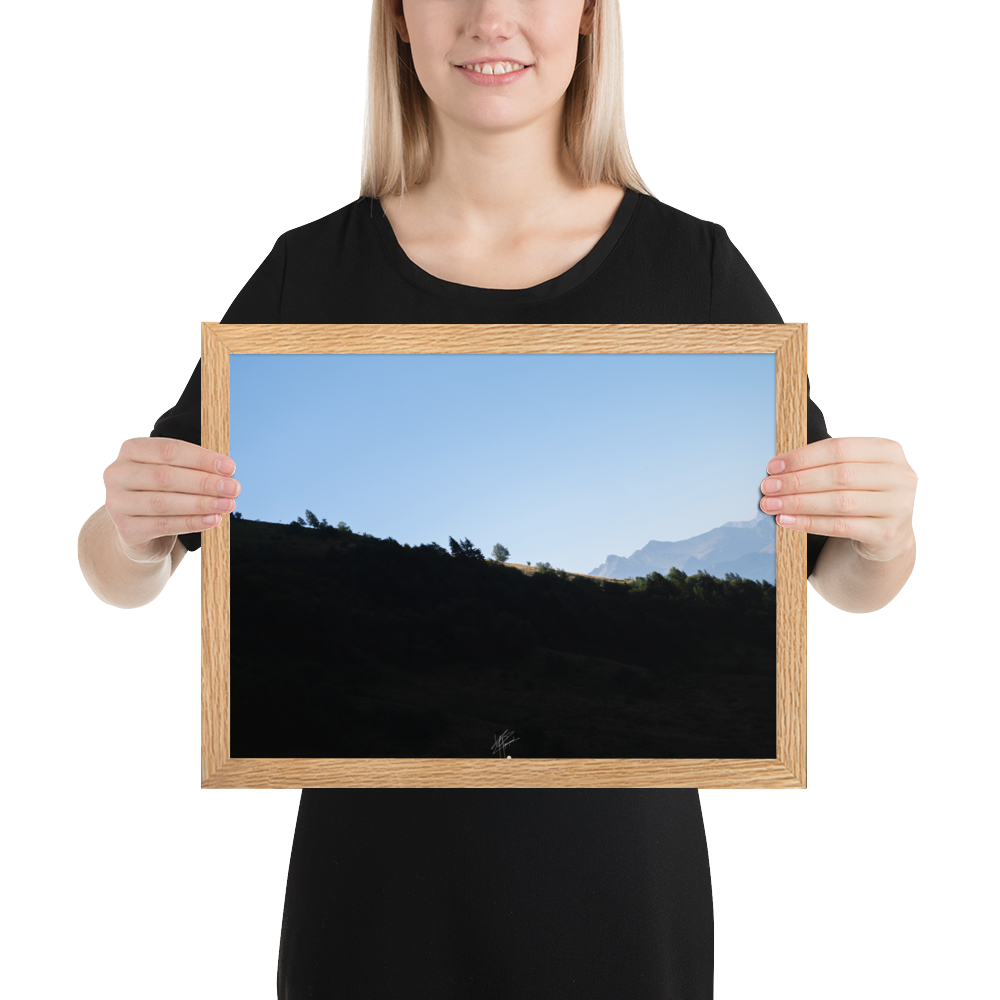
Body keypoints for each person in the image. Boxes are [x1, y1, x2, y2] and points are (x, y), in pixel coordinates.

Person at [77, 2, 917, 996]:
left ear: (592, 18)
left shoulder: (693, 265)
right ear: (394, 20)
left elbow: (847, 581)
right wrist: (129, 528)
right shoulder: (308, 268)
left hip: (620, 893)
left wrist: (882, 530)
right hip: (369, 891)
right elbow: (123, 575)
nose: (491, 19)